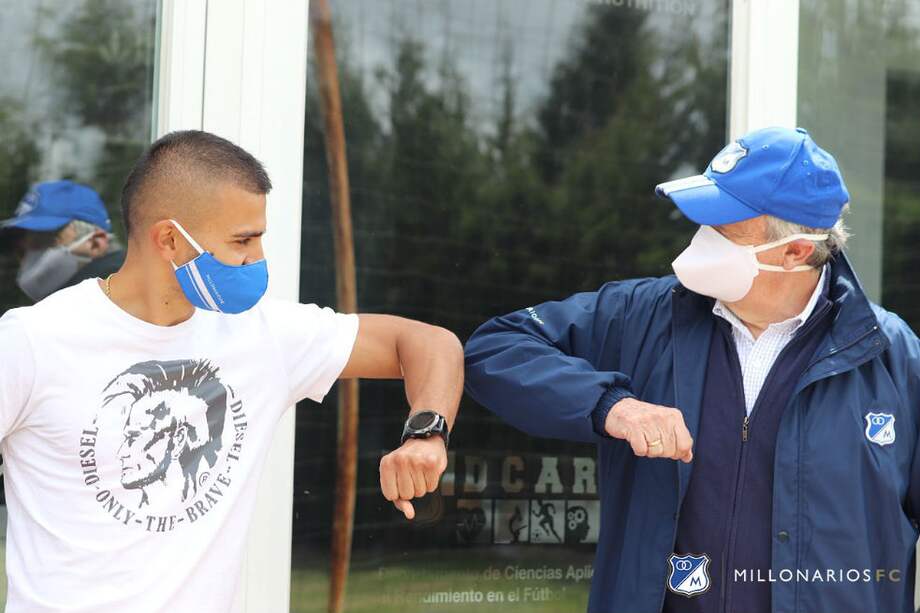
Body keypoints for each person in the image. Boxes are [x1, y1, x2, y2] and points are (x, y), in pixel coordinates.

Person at [0, 130, 463, 612]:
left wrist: (426, 434)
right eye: (243, 240)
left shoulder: (261, 335)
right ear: (170, 240)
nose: (257, 260)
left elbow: (429, 343)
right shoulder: (33, 341)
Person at [465, 126, 920, 613]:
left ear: (796, 252)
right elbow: (495, 348)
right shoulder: (641, 316)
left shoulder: (892, 359)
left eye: (724, 227)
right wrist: (611, 406)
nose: (703, 241)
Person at [0, 180, 125, 301]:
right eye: (20, 250)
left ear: (95, 243)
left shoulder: (110, 302)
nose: (27, 257)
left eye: (42, 238)